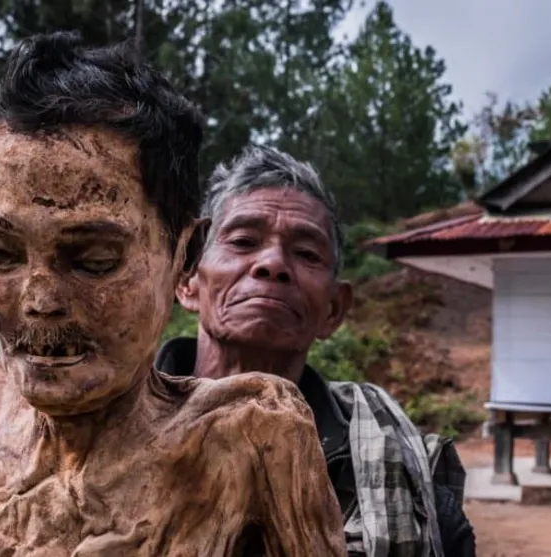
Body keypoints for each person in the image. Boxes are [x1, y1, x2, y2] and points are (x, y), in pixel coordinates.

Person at [0, 33, 349, 557]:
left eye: (93, 261)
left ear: (184, 255)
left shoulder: (251, 440)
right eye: (1, 252)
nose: (39, 299)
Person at [156, 146, 477, 557]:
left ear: (333, 309)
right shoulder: (92, 437)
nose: (273, 263)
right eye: (243, 241)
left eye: (306, 253)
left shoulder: (411, 483)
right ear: (187, 280)